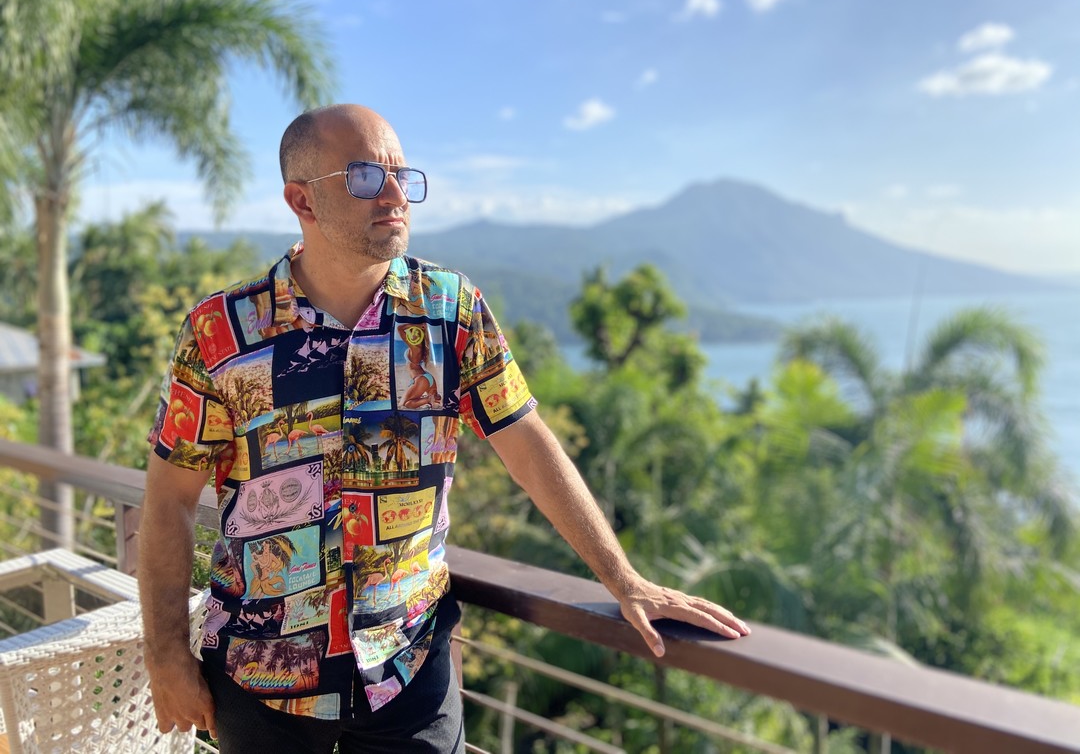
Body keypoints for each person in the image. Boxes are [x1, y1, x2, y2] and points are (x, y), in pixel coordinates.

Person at [138, 104, 750, 753]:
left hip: (407, 668)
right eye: (367, 177)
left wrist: (625, 581)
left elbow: (527, 445)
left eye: (403, 176)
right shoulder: (222, 332)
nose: (396, 196)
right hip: (264, 671)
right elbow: (170, 500)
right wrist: (166, 654)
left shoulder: (449, 312)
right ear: (302, 200)